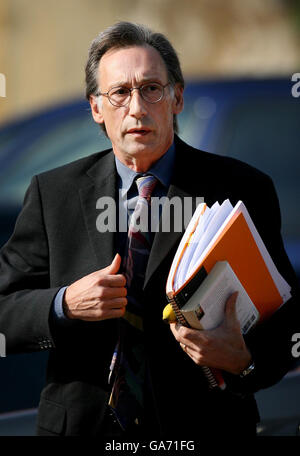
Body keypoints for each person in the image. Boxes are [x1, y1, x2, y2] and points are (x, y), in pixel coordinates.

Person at [0, 21, 299, 439]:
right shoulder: (54, 194)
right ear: (96, 108)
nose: (136, 108)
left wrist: (242, 358)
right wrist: (64, 303)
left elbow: (289, 323)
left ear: (176, 97)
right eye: (119, 93)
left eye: (151, 89)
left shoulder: (240, 189)